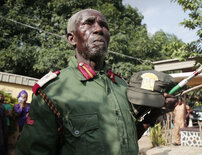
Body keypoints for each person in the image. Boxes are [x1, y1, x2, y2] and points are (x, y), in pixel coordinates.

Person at [16, 9, 176, 155]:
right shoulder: (53, 90)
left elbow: (129, 137)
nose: (99, 29)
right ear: (71, 38)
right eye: (89, 23)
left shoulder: (121, 86)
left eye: (104, 25)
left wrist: (156, 111)